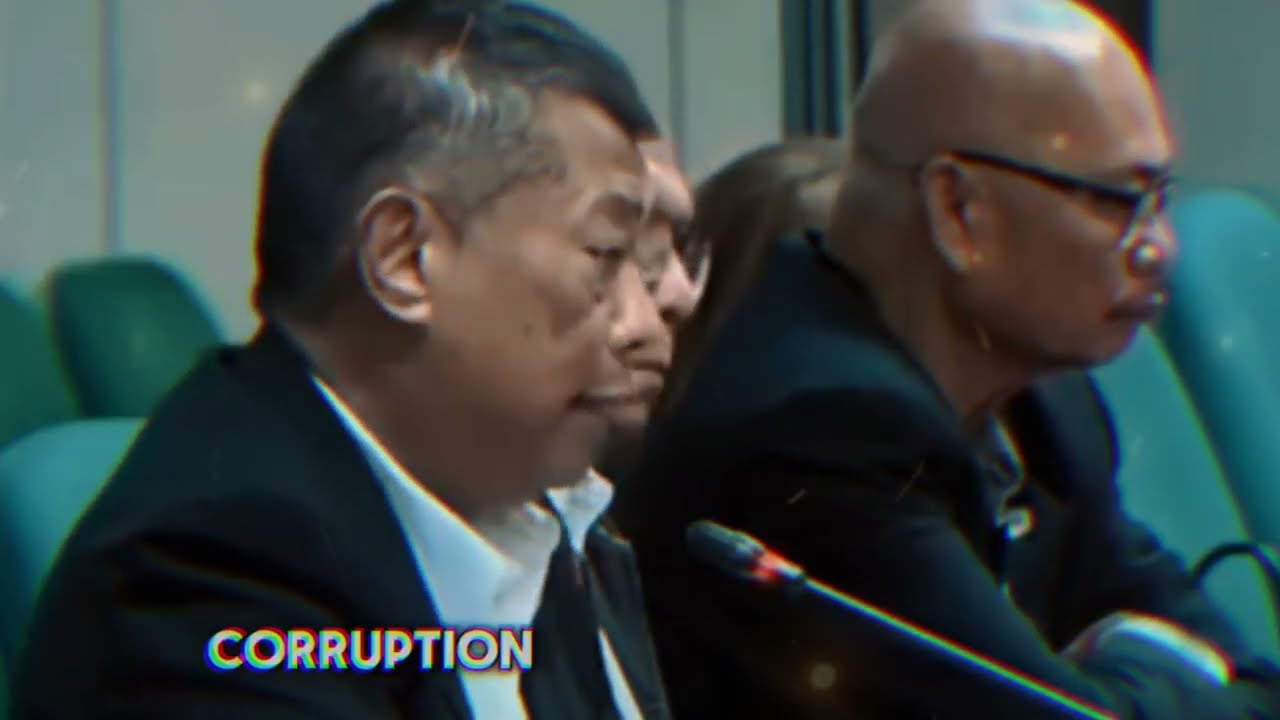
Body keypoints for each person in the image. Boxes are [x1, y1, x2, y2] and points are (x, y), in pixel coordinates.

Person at [13, 2, 697, 718]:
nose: (645, 321)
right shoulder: (206, 574)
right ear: (403, 259)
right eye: (604, 255)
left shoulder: (531, 503)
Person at [612, 1, 1280, 718]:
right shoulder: (810, 428)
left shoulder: (1050, 403)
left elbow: (1256, 684)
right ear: (958, 210)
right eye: (1116, 201)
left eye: (1159, 199)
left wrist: (1136, 676)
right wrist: (1158, 665)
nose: (1158, 250)